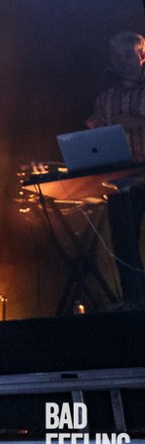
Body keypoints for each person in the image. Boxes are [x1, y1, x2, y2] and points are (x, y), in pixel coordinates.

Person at [85, 30, 145, 304]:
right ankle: (134, 301)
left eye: (127, 55)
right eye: (116, 57)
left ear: (141, 56)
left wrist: (138, 121)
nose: (121, 62)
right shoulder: (105, 98)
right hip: (121, 180)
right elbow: (97, 130)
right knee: (123, 244)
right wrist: (93, 132)